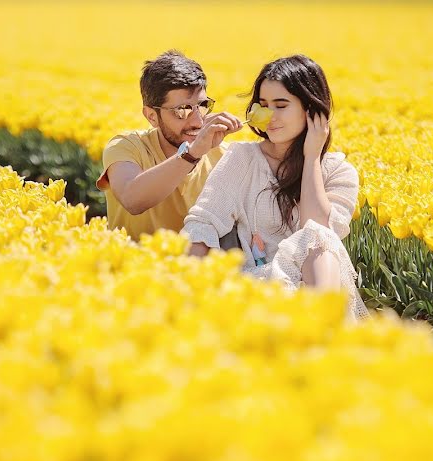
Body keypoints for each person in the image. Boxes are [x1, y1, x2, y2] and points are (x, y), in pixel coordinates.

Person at [183, 54, 370, 320]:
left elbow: (317, 230)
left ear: (312, 109)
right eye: (263, 105)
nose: (269, 116)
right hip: (261, 286)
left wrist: (312, 157)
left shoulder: (338, 172)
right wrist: (188, 294)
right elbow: (203, 223)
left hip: (316, 288)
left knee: (319, 237)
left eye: (281, 105)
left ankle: (324, 333)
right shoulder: (242, 159)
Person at [96, 50, 243, 246]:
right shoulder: (126, 146)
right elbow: (132, 200)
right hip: (132, 272)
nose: (197, 121)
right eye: (182, 110)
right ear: (151, 116)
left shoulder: (222, 156)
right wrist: (192, 154)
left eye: (202, 105)